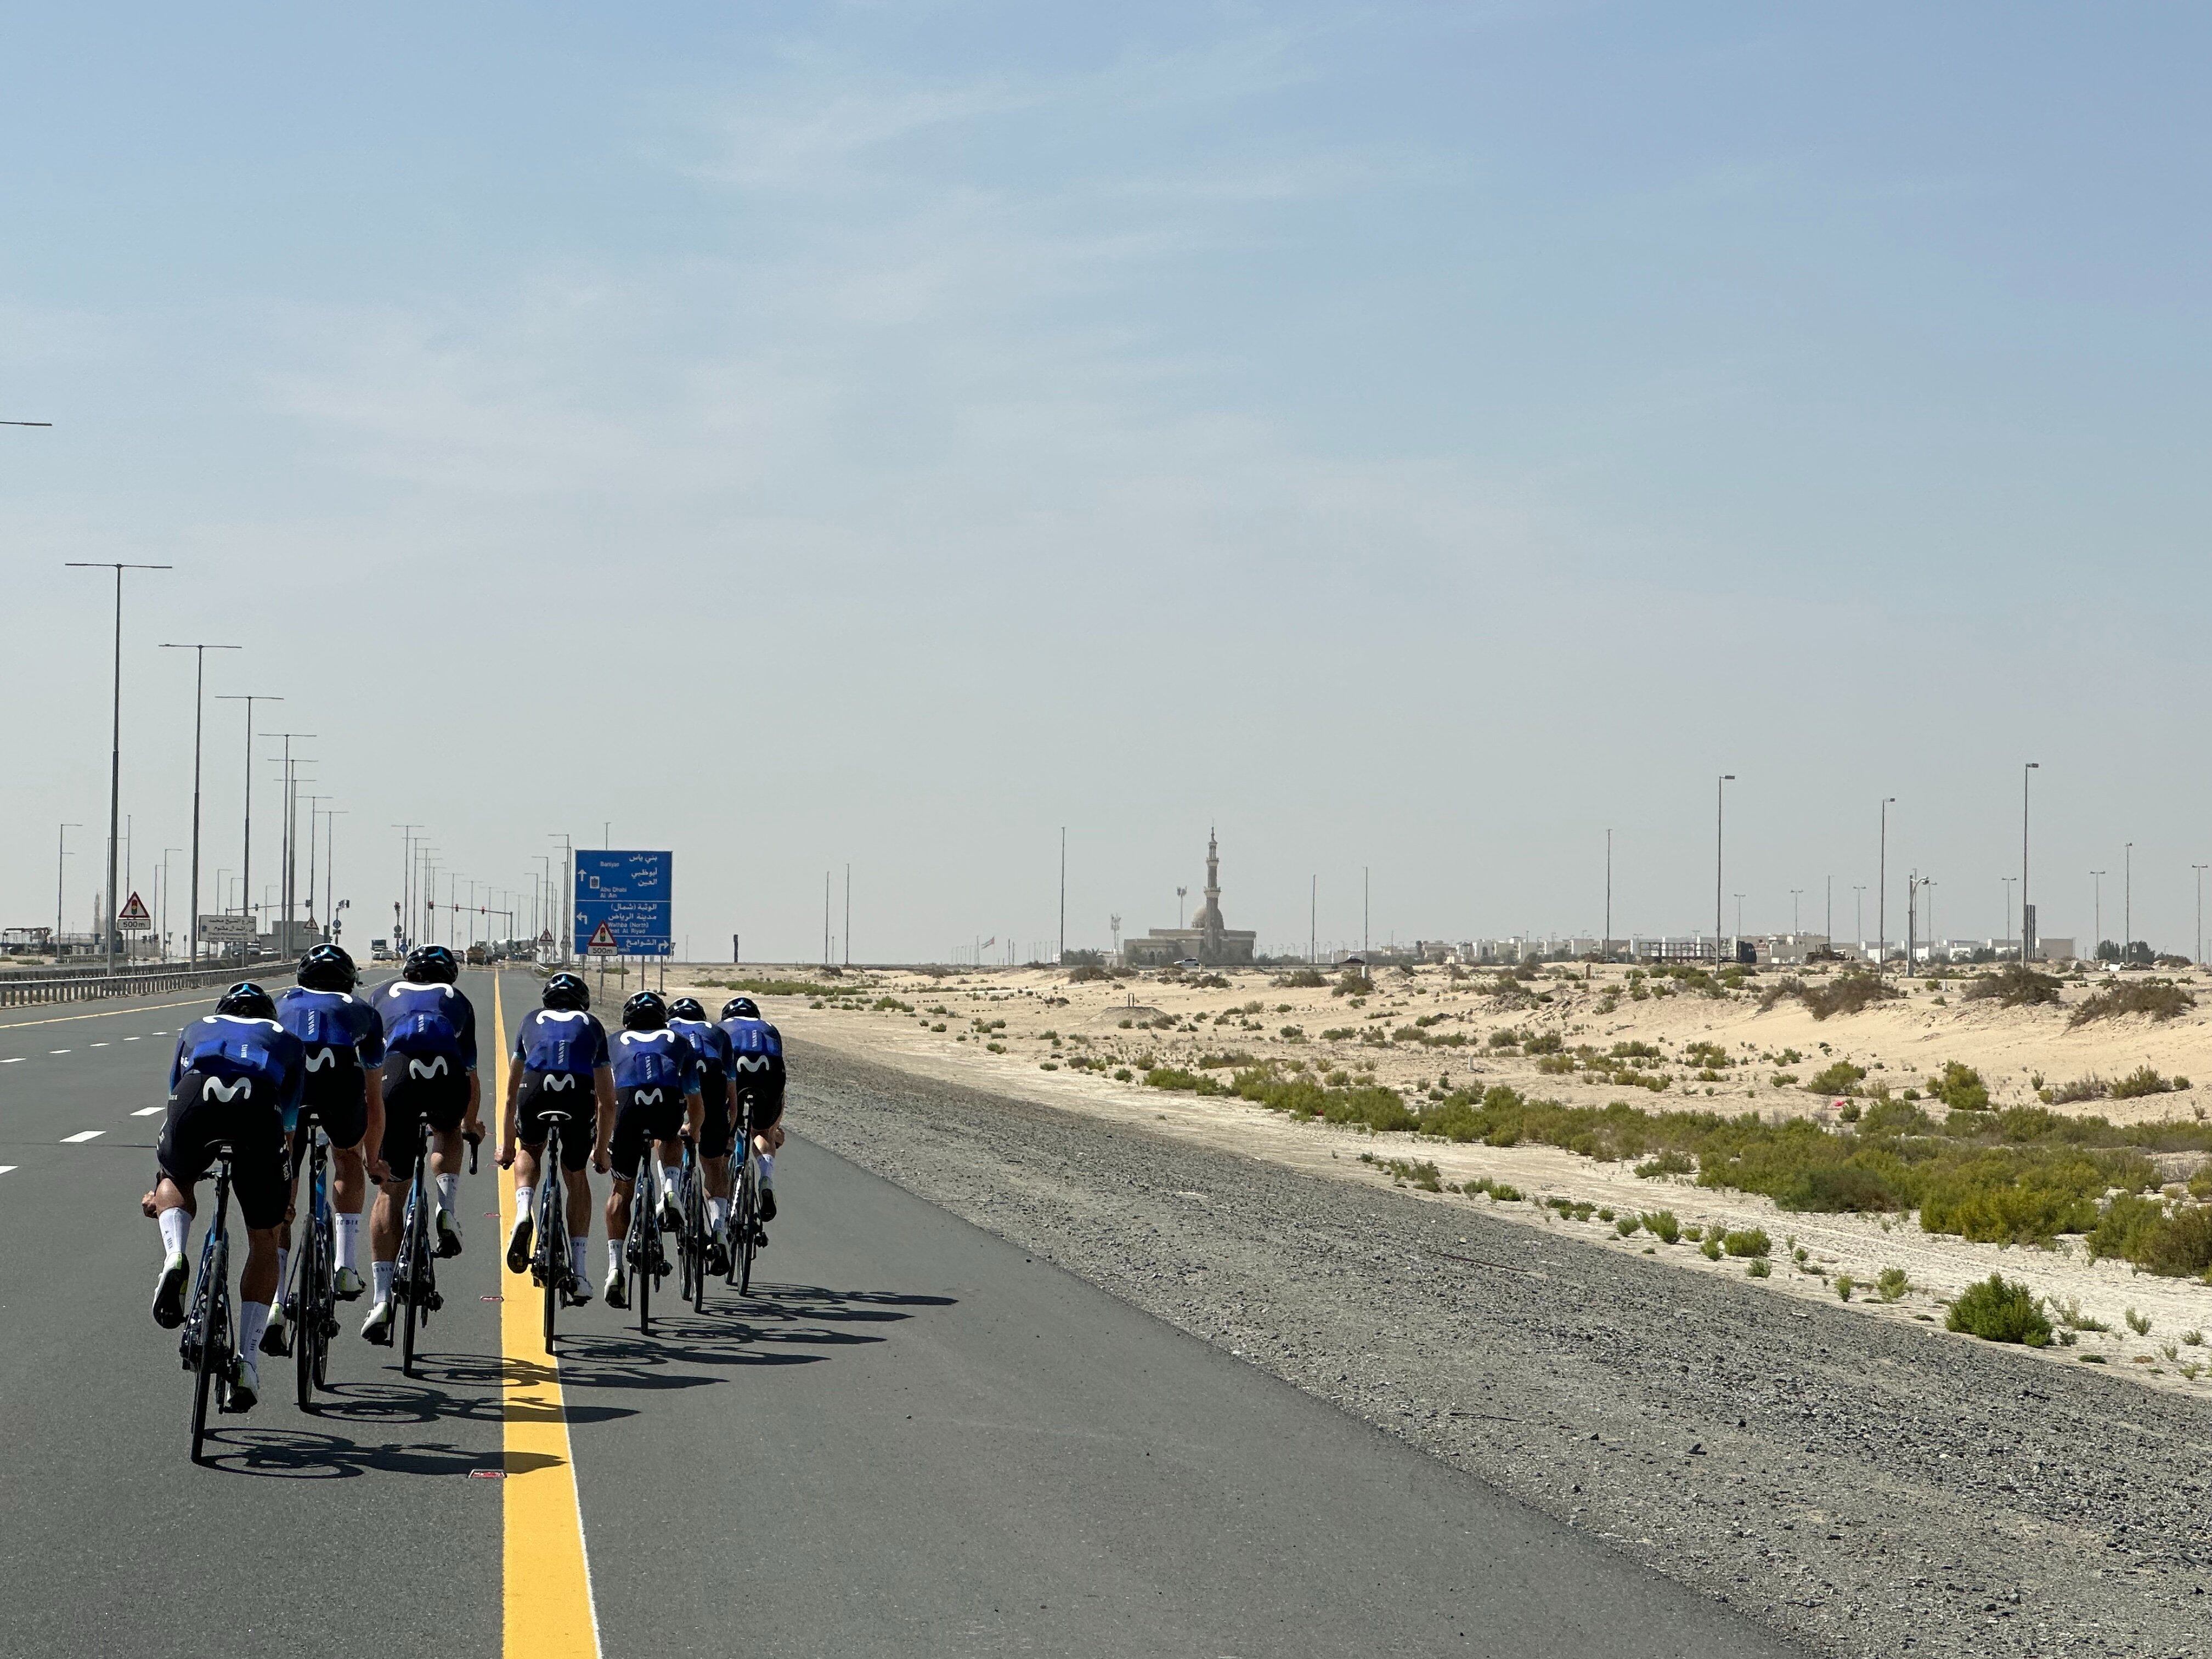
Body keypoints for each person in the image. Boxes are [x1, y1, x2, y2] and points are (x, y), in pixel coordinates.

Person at [147, 982, 306, 1414]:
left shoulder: (196, 1027)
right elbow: (289, 1130)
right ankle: (248, 1363)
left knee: (179, 1178)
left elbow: (173, 1105)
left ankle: (176, 1255)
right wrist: (283, 1199)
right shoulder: (287, 1041)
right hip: (258, 1114)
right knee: (264, 1239)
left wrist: (163, 1182)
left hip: (195, 1100)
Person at [261, 944, 388, 1357]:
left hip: (292, 1087)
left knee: (284, 1189)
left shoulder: (281, 1004)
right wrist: (371, 1157)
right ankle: (344, 1266)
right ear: (349, 981)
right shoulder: (363, 1009)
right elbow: (373, 1098)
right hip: (338, 1083)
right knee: (345, 1157)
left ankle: (277, 1301)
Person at [360, 944, 483, 1346]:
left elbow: (366, 1069)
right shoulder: (457, 1000)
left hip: (395, 1077)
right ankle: (446, 1209)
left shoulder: (381, 995)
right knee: (446, 1132)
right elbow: (471, 1077)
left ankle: (380, 1299)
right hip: (446, 1075)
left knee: (389, 1192)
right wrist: (469, 1125)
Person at [499, 971, 614, 1302]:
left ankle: (524, 1211)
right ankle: (579, 1272)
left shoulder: (531, 1020)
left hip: (534, 1089)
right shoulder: (592, 1025)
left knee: (530, 1150)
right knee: (575, 1175)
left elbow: (509, 1097)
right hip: (577, 1093)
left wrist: (508, 1146)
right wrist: (601, 1151)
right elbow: (607, 1102)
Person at [601, 990, 700, 1308]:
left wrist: (599, 1145)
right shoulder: (679, 1042)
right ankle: (670, 1188)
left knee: (621, 1190)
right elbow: (695, 1099)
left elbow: (600, 1098)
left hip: (626, 1106)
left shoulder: (614, 1041)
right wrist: (693, 1131)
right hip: (665, 1103)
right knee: (670, 1137)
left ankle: (615, 1268)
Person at [666, 995, 737, 1272]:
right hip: (714, 1080)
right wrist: (727, 1134)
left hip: (677, 1081)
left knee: (667, 1133)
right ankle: (719, 1231)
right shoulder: (717, 1033)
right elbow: (731, 1095)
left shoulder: (667, 1029)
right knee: (715, 1165)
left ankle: (669, 1193)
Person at [719, 995, 786, 1246]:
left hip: (736, 1072)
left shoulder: (723, 1028)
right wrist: (774, 1127)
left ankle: (723, 1200)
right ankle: (766, 1178)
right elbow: (782, 1084)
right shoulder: (769, 1028)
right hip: (770, 1073)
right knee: (762, 1131)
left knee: (724, 1132)